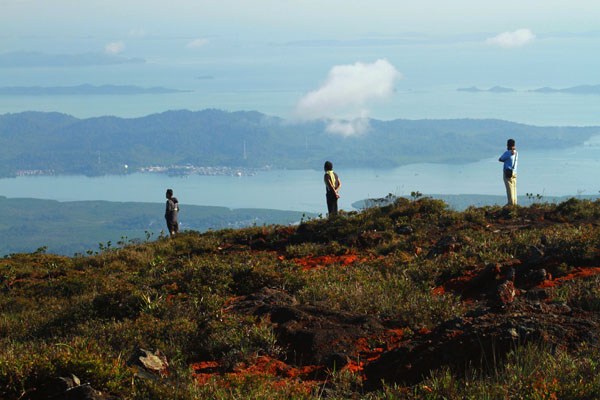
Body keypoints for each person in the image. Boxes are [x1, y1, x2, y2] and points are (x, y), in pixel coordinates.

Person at [499, 138, 518, 206]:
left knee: (509, 188)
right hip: (514, 172)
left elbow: (500, 159)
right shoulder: (516, 152)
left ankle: (510, 203)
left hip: (508, 172)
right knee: (514, 188)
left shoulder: (508, 153)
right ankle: (515, 203)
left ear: (508, 145)